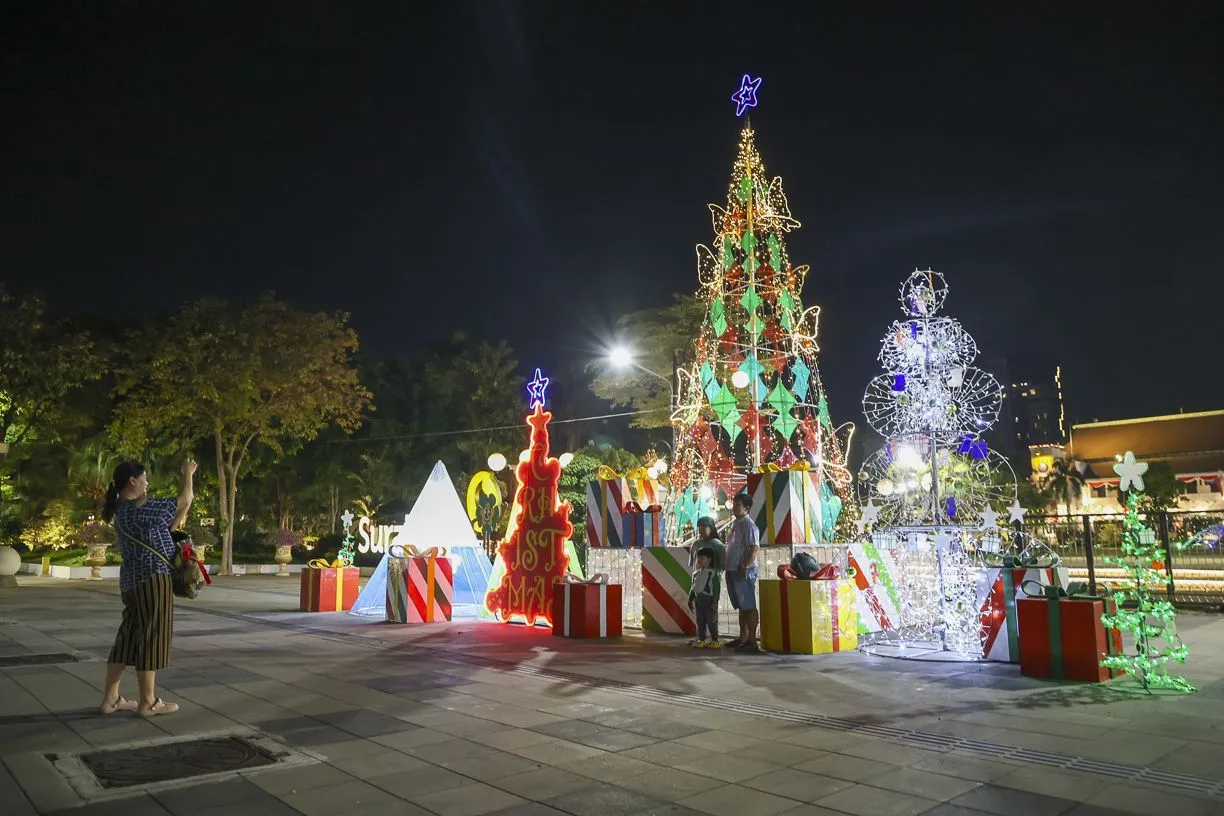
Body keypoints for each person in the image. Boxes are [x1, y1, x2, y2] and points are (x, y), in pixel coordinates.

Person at [99, 458, 196, 717]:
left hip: (131, 582)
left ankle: (111, 699)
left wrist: (183, 507)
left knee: (127, 638)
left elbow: (171, 524)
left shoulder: (121, 511)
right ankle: (148, 702)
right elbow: (184, 499)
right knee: (153, 636)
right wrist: (188, 472)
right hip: (153, 579)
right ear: (132, 481)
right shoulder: (143, 509)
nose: (146, 483)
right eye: (144, 479)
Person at [724, 491, 761, 653]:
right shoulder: (736, 524)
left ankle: (752, 641)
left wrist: (744, 566)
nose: (734, 508)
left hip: (743, 570)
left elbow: (754, 549)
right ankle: (743, 638)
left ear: (747, 508)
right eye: (734, 504)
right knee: (741, 606)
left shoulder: (749, 525)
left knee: (749, 605)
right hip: (732, 568)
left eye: (738, 505)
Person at [687, 546, 722, 648]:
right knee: (700, 621)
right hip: (698, 601)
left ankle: (715, 640)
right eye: (698, 557)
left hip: (709, 601)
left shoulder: (713, 573)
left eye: (702, 558)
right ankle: (701, 639)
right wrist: (690, 598)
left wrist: (715, 601)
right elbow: (693, 587)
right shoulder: (696, 574)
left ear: (709, 559)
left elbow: (716, 588)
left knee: (711, 621)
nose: (699, 560)